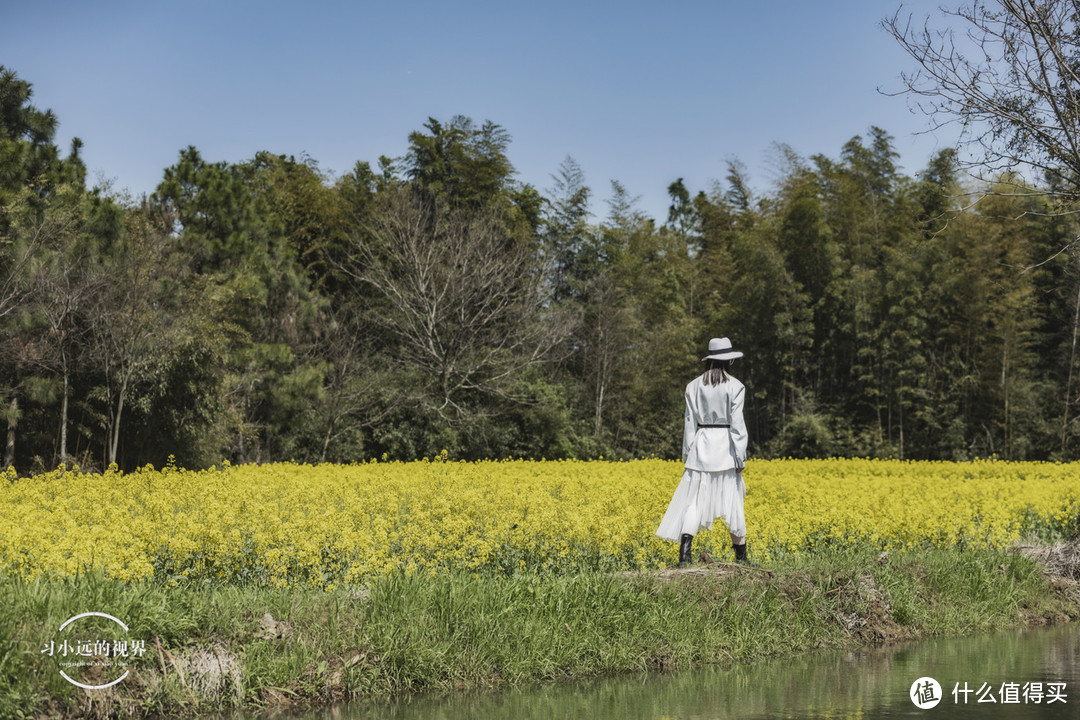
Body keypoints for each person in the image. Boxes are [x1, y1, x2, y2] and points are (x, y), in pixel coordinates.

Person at [656, 337, 750, 567]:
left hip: (701, 446)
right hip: (725, 449)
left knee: (694, 503)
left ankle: (684, 556)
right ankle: (742, 558)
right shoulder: (735, 386)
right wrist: (740, 456)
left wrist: (687, 454)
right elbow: (737, 426)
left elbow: (689, 423)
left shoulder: (693, 386)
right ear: (728, 361)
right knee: (732, 501)